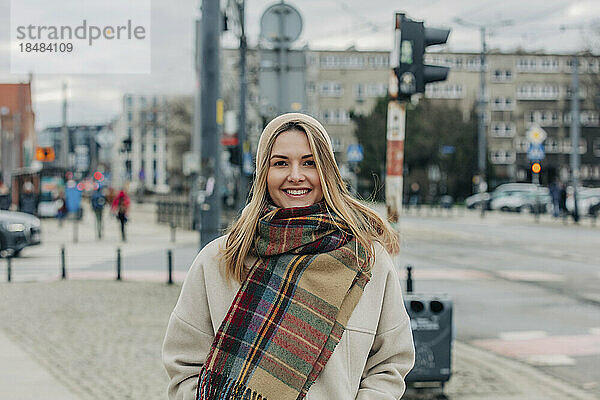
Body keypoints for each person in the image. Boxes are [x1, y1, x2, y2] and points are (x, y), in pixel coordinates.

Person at [162, 113, 415, 400]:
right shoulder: (219, 260)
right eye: (281, 163)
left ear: (327, 172)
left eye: (309, 163)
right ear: (263, 175)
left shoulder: (367, 259)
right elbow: (184, 366)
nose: (296, 175)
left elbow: (390, 364)